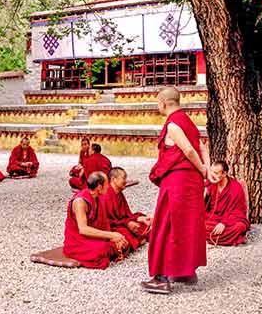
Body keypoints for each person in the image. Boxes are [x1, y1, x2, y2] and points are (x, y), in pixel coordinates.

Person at [142, 87, 208, 295]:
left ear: (162, 102)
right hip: (192, 182)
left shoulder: (172, 125)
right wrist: (206, 169)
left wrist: (203, 168)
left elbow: (189, 150)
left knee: (166, 225)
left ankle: (161, 278)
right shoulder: (188, 121)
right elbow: (201, 146)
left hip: (177, 182)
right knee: (187, 224)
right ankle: (185, 271)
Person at [63, 171, 129, 269]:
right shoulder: (80, 202)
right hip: (77, 241)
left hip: (92, 238)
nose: (108, 187)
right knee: (101, 250)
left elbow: (104, 223)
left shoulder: (98, 198)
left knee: (122, 237)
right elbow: (83, 229)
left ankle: (112, 246)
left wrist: (112, 237)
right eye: (107, 185)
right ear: (99, 187)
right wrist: (112, 235)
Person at [102, 167, 152, 251]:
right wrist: (127, 223)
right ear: (114, 179)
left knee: (144, 221)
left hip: (121, 223)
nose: (126, 181)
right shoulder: (106, 195)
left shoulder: (119, 193)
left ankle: (141, 237)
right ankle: (139, 239)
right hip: (112, 227)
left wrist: (138, 218)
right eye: (124, 178)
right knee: (125, 235)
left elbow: (126, 214)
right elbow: (106, 221)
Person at [204, 161, 250, 246]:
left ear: (224, 173)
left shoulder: (235, 187)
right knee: (197, 222)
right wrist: (205, 193)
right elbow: (203, 206)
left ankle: (208, 236)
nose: (213, 175)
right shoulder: (210, 183)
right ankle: (230, 238)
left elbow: (238, 211)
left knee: (240, 227)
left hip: (230, 219)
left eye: (216, 173)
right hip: (213, 218)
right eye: (212, 172)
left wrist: (223, 223)